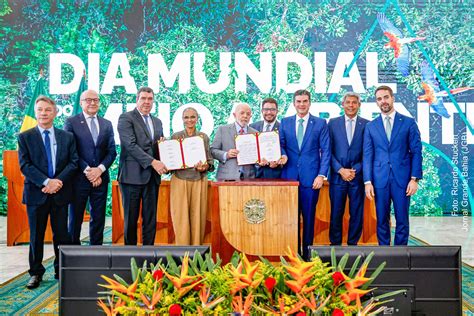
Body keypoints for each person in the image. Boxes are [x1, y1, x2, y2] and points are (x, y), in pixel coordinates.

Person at [18, 95, 78, 289]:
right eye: (40, 110)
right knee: (36, 235)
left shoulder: (67, 136)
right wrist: (46, 182)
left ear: (55, 112)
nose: (43, 113)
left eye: (47, 110)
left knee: (62, 234)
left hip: (60, 193)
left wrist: (57, 182)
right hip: (37, 193)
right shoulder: (25, 137)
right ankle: (35, 273)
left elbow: (73, 161)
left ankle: (61, 270)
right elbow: (25, 165)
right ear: (36, 113)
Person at [363, 85, 422, 245]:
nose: (383, 101)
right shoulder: (371, 126)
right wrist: (367, 181)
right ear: (377, 102)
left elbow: (416, 151)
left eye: (386, 97)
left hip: (402, 181)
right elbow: (367, 155)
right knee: (381, 219)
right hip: (379, 180)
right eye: (379, 99)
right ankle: (385, 255)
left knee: (402, 219)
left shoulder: (408, 123)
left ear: (392, 98)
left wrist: (414, 179)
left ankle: (401, 255)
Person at [279, 89, 330, 259]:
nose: (302, 104)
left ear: (309, 103)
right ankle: (293, 256)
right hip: (289, 179)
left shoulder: (320, 123)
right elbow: (281, 145)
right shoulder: (284, 123)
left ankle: (307, 255)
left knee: (309, 219)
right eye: (298, 101)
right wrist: (283, 153)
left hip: (311, 179)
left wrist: (321, 175)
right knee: (291, 220)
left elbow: (326, 150)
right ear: (294, 103)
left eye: (305, 101)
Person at [64, 89, 117, 245]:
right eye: (88, 100)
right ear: (81, 103)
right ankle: (73, 252)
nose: (92, 102)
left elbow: (111, 151)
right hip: (78, 179)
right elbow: (71, 150)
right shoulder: (71, 122)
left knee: (99, 218)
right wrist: (89, 171)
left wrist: (99, 170)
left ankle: (96, 252)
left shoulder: (106, 124)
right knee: (75, 218)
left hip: (101, 179)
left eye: (95, 100)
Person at [117, 87, 165, 245]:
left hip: (152, 178)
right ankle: (129, 257)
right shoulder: (126, 118)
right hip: (131, 177)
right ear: (137, 99)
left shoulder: (157, 121)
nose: (146, 102)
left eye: (150, 99)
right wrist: (153, 162)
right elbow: (130, 145)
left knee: (150, 220)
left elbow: (157, 147)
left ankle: (148, 255)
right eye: (143, 98)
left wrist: (167, 153)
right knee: (131, 220)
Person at [328, 92, 369, 246]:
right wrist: (340, 169)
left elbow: (368, 152)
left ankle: (353, 246)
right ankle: (335, 245)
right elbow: (327, 151)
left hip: (357, 178)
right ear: (343, 104)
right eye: (348, 102)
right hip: (338, 177)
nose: (351, 105)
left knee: (357, 214)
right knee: (336, 213)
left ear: (359, 105)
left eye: (354, 102)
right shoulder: (332, 123)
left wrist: (355, 170)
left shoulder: (367, 124)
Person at [169, 107, 214, 245]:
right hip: (180, 180)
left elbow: (210, 162)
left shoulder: (203, 137)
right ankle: (181, 255)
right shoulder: (176, 137)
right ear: (182, 119)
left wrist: (204, 166)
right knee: (180, 218)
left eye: (192, 117)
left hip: (199, 180)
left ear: (197, 118)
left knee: (198, 217)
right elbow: (171, 163)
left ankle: (196, 254)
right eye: (186, 117)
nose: (190, 120)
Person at [211, 103, 257, 180]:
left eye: (248, 114)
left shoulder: (255, 133)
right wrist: (226, 154)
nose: (245, 116)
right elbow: (212, 151)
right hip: (226, 177)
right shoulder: (222, 130)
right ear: (234, 115)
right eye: (242, 113)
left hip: (249, 178)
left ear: (250, 117)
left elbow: (257, 155)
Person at [249, 97, 282, 179]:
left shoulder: (283, 128)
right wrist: (257, 161)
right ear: (262, 111)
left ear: (277, 111)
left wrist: (278, 162)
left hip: (275, 174)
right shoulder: (252, 127)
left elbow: (287, 150)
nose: (269, 112)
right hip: (255, 174)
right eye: (266, 109)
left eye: (272, 110)